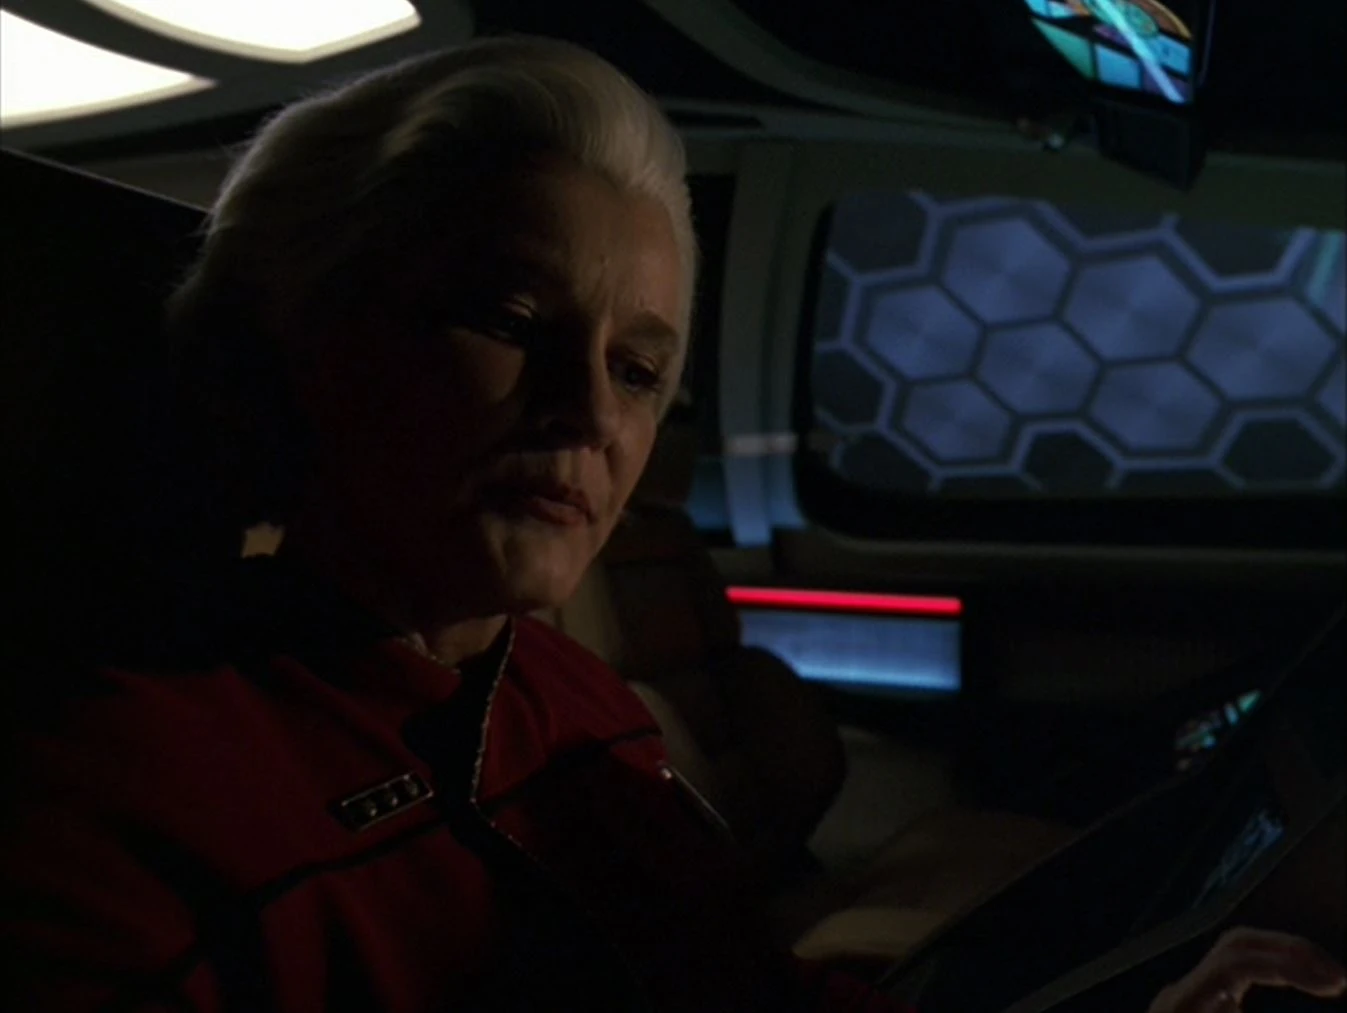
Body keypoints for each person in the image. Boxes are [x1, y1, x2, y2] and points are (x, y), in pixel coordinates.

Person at [1, 35, 1342, 1013]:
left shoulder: (568, 702)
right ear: (304, 342)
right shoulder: (110, 817)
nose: (587, 413)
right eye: (508, 322)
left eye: (637, 369)